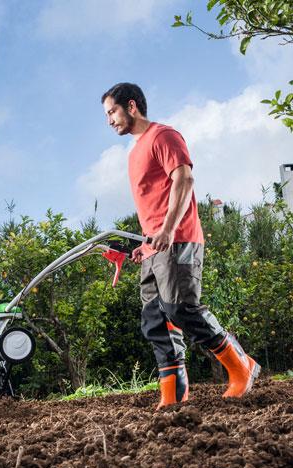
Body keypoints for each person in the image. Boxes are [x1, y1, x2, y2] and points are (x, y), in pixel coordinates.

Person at [100, 82, 259, 409]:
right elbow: (152, 205)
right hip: (153, 246)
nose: (109, 120)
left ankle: (241, 365)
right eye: (106, 115)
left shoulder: (163, 136)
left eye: (112, 112)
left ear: (131, 106)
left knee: (181, 308)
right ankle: (174, 392)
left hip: (179, 238)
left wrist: (169, 230)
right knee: (155, 318)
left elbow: (184, 179)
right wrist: (143, 247)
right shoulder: (133, 154)